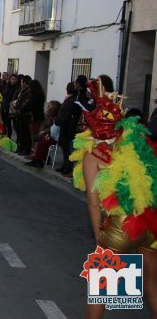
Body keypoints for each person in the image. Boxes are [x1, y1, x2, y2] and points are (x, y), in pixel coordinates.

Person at [71, 75, 157, 318]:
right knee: (152, 287)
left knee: (101, 289)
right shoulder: (137, 142)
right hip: (150, 222)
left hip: (121, 226)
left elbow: (93, 201)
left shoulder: (93, 154)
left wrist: (99, 234)